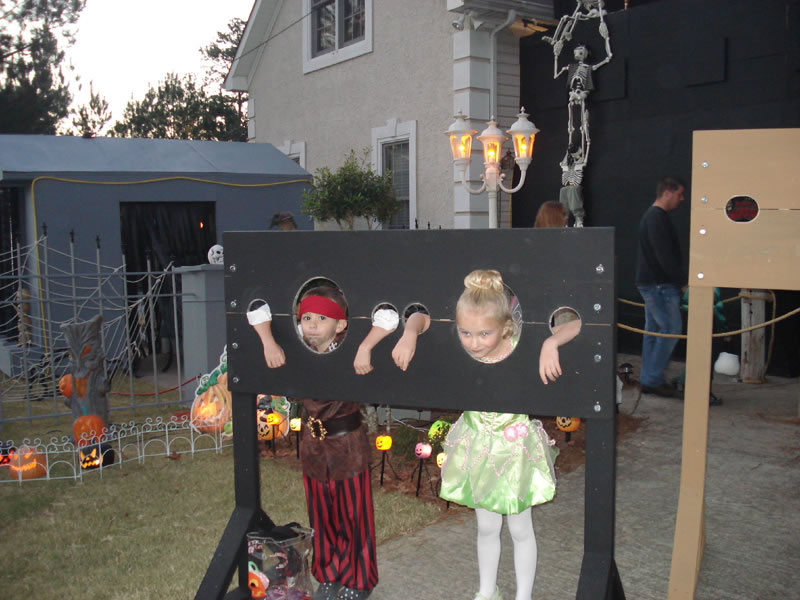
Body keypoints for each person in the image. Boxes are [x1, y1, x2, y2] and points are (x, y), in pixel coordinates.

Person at [438, 270, 581, 600]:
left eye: (484, 333)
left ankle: (523, 596)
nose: (474, 342)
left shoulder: (518, 347)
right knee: (487, 526)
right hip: (477, 445)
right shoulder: (461, 352)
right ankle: (487, 591)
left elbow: (578, 323)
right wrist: (409, 333)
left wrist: (550, 342)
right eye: (465, 333)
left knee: (519, 527)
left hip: (515, 450)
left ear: (505, 328)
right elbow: (418, 318)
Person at [248, 286, 387, 600]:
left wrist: (366, 347)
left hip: (347, 445)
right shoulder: (297, 347)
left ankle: (359, 580)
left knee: (353, 516)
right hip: (313, 445)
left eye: (322, 318)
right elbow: (255, 310)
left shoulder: (351, 347)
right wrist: (268, 341)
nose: (311, 324)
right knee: (322, 515)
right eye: (306, 317)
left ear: (340, 325)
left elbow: (388, 317)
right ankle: (329, 574)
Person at [635, 177, 686, 397]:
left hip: (652, 282)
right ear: (667, 193)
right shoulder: (656, 218)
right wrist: (682, 282)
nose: (682, 199)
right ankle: (652, 378)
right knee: (670, 330)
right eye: (679, 194)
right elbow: (664, 255)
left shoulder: (653, 216)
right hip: (660, 284)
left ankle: (649, 377)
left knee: (654, 332)